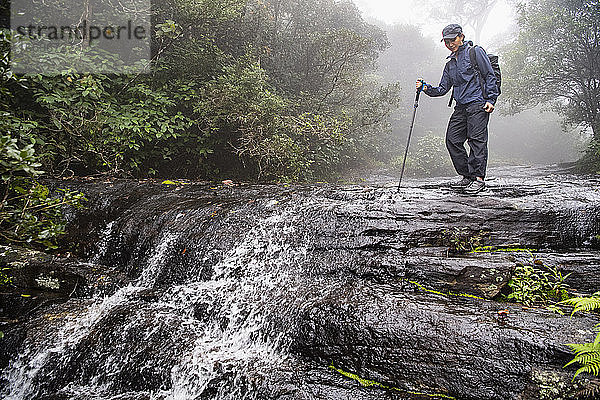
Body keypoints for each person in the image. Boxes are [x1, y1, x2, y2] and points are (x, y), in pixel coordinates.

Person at [416, 24, 498, 195]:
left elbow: (489, 75)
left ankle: (478, 179)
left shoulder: (475, 52)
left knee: (476, 140)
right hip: (460, 107)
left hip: (478, 104)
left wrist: (491, 99)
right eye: (446, 41)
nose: (449, 43)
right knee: (452, 140)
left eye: (452, 39)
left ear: (461, 36)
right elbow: (442, 89)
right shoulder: (450, 64)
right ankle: (467, 176)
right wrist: (425, 88)